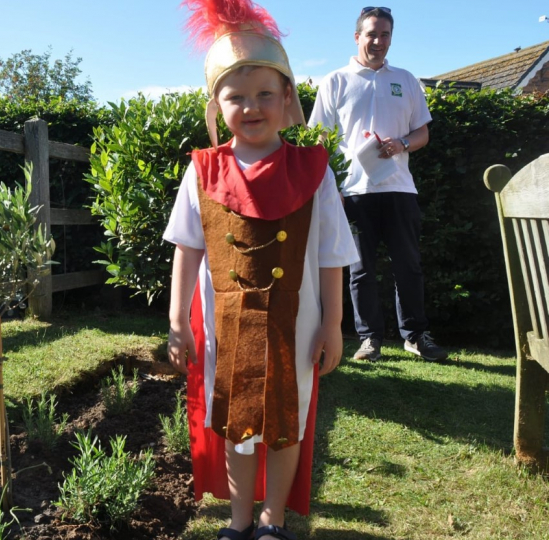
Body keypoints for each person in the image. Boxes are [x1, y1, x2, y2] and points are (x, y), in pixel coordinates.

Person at [164, 2, 359, 539]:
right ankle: (239, 519)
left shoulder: (312, 171)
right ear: (216, 105)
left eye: (264, 94)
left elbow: (330, 254)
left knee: (284, 423)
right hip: (224, 327)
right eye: (236, 97)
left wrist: (334, 323)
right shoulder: (202, 172)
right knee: (234, 423)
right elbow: (187, 248)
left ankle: (272, 521)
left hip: (294, 326)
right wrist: (178, 320)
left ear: (288, 98)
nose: (251, 107)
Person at [308, 7, 448, 362]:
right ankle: (369, 340)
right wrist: (330, 187)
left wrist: (403, 143)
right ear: (357, 37)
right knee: (360, 270)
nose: (378, 41)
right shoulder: (335, 81)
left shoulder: (406, 79)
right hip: (354, 191)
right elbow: (319, 140)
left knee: (409, 266)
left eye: (385, 35)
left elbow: (423, 132)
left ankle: (415, 336)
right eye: (372, 34)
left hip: (400, 189)